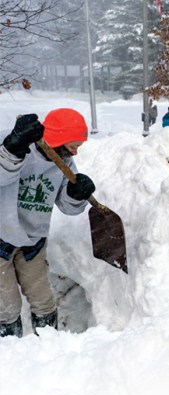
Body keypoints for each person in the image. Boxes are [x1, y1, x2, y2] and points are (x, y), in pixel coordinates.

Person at [0, 109, 95, 337]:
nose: (75, 152)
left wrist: (76, 195)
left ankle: (49, 348)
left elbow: (67, 206)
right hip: (1, 238)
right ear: (58, 137)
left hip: (33, 244)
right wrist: (12, 151)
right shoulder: (15, 143)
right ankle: (12, 354)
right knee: (7, 309)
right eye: (73, 145)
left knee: (44, 303)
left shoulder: (65, 163)